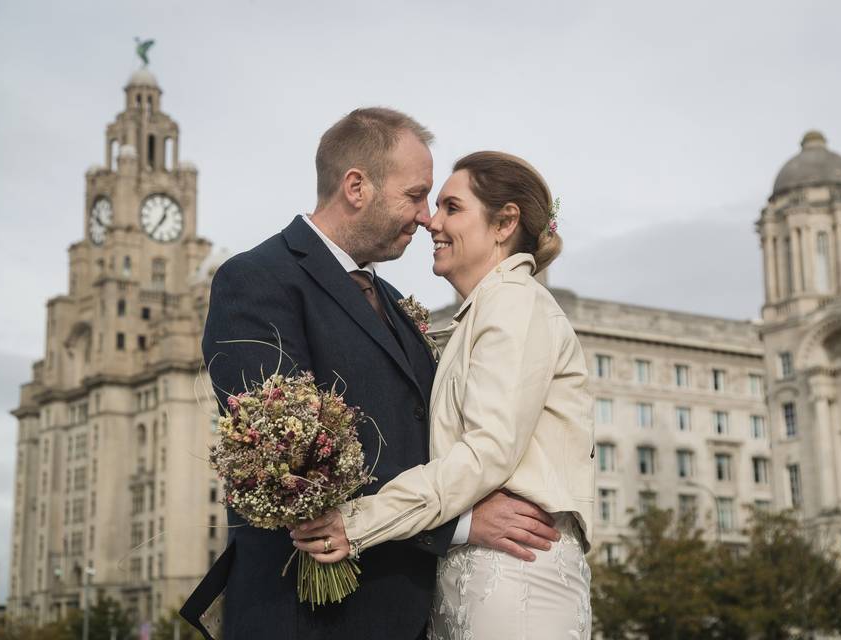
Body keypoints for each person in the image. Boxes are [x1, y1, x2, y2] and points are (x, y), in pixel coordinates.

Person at [179, 109, 560, 640]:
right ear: (356, 186)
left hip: (413, 612)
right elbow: (288, 460)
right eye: (415, 195)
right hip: (307, 616)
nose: (426, 217)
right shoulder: (257, 279)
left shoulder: (396, 305)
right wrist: (462, 523)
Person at [294, 151, 595, 639]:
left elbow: (487, 452)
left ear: (504, 223)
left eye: (452, 208)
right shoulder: (485, 311)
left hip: (516, 582)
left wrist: (359, 521)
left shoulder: (514, 302)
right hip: (475, 581)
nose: (431, 222)